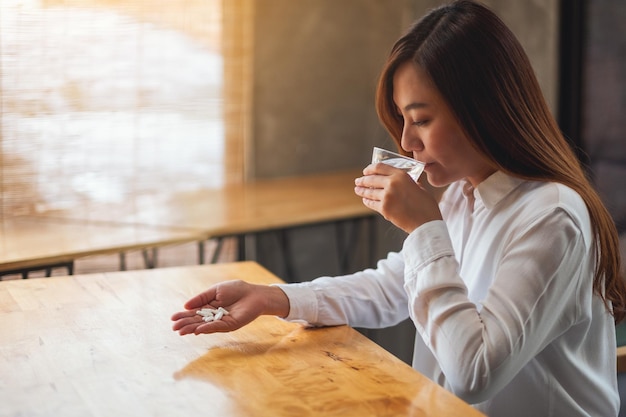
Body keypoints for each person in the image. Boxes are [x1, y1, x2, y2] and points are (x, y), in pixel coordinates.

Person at [171, 1, 626, 415]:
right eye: (403, 120)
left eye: (422, 119)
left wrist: (425, 226)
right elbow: (393, 287)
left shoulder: (552, 217)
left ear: (484, 108)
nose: (407, 143)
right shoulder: (466, 194)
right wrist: (277, 298)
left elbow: (474, 374)